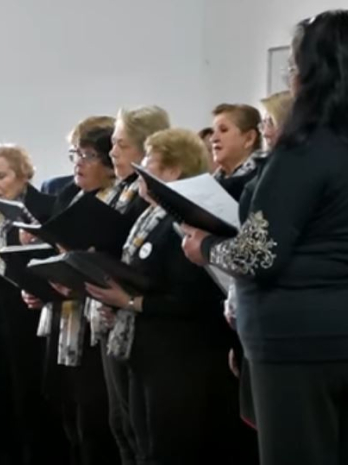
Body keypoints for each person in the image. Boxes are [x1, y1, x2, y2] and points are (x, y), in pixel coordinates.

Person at [180, 10, 348, 465]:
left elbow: (258, 255)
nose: (291, 79)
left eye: (294, 67)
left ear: (311, 74)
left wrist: (206, 248)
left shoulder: (305, 151)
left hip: (299, 342)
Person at [86, 128, 238, 464]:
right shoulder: (150, 214)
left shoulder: (186, 221)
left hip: (179, 357)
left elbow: (192, 298)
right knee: (141, 444)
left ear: (172, 170)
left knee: (168, 449)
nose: (140, 168)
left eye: (149, 161)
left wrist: (128, 301)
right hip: (147, 352)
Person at [23, 124, 120, 465]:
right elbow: (55, 252)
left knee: (94, 417)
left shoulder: (118, 202)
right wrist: (39, 286)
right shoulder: (68, 195)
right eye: (75, 154)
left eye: (88, 155)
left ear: (109, 162)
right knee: (64, 408)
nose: (78, 162)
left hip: (96, 323)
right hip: (62, 316)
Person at [95, 105, 167, 464]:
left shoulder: (150, 200)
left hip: (138, 320)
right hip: (111, 313)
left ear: (147, 149)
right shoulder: (121, 191)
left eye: (122, 145)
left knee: (138, 431)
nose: (112, 153)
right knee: (120, 424)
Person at [0, 143, 59, 465]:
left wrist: (40, 241)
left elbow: (59, 258)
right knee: (0, 393)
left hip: (31, 313)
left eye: (1, 176)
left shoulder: (46, 207)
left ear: (24, 174)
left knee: (31, 395)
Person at [39, 116, 115, 196]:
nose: (79, 162)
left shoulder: (121, 197)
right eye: (78, 153)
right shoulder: (54, 188)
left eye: (89, 155)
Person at [210, 103, 263, 199]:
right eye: (214, 131)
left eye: (223, 130)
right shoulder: (210, 183)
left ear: (249, 138)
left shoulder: (263, 180)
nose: (213, 139)